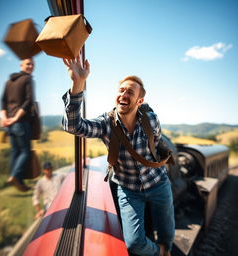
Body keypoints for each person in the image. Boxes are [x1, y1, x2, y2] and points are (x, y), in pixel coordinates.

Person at [61, 57, 175, 256]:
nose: (123, 94)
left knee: (167, 232)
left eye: (130, 92)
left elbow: (156, 144)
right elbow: (73, 126)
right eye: (121, 90)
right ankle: (160, 252)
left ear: (140, 101)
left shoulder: (151, 119)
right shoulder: (106, 123)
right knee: (134, 244)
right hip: (129, 190)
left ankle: (167, 248)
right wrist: (77, 83)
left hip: (158, 183)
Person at [0, 58, 35, 192]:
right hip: (20, 122)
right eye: (28, 64)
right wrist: (15, 118)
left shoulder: (9, 81)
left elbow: (2, 101)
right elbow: (28, 101)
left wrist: (4, 118)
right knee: (26, 152)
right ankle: (15, 176)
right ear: (21, 65)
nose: (30, 66)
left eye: (32, 64)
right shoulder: (27, 79)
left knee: (16, 151)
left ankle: (17, 181)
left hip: (9, 124)